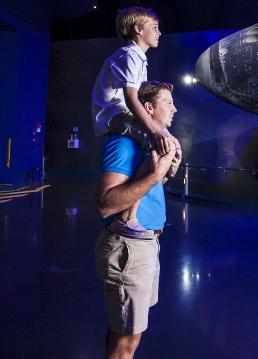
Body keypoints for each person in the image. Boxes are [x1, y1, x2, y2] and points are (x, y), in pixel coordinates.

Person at [94, 81, 180, 359]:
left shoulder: (147, 146)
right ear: (148, 108)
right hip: (128, 249)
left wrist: (165, 174)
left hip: (145, 244)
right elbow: (105, 205)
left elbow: (143, 190)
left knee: (124, 330)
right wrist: (155, 175)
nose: (174, 109)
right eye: (167, 102)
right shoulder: (123, 144)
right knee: (127, 342)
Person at [91, 7, 179, 158]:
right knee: (157, 143)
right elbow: (131, 98)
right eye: (155, 28)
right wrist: (157, 132)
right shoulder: (129, 55)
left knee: (170, 141)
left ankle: (162, 177)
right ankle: (151, 179)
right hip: (114, 115)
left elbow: (140, 100)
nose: (159, 33)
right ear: (138, 29)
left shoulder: (138, 58)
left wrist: (165, 132)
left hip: (126, 113)